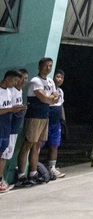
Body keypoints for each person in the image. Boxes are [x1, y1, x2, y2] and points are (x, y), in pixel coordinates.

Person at [16, 57, 59, 187]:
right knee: (28, 144)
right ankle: (21, 176)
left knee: (37, 145)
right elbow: (45, 98)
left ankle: (33, 173)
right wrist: (50, 98)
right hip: (34, 116)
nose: (48, 68)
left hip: (44, 117)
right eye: (46, 66)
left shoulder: (51, 81)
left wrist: (50, 98)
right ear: (40, 67)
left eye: (50, 66)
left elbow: (55, 97)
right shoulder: (35, 81)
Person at [0, 69, 26, 193]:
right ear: (8, 78)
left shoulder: (10, 92)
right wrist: (11, 109)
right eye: (15, 80)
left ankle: (0, 179)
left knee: (2, 154)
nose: (16, 83)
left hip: (6, 127)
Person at [44, 69, 67, 179]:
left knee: (54, 145)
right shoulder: (47, 90)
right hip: (46, 121)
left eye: (62, 78)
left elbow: (61, 106)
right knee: (39, 144)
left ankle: (52, 167)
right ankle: (34, 168)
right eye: (58, 77)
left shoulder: (61, 91)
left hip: (56, 123)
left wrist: (64, 121)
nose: (60, 79)